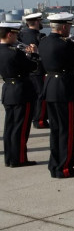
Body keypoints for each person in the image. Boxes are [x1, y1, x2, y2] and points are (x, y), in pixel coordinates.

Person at [38, 12, 74, 178]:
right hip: (65, 88)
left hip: (51, 87)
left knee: (56, 130)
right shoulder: (66, 45)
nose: (70, 29)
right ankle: (66, 167)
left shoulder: (44, 42)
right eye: (69, 26)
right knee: (68, 131)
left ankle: (55, 165)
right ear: (63, 27)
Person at [0, 22, 38, 167]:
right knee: (21, 128)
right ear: (9, 34)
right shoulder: (15, 52)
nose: (17, 37)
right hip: (21, 91)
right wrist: (33, 54)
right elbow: (32, 67)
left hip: (8, 89)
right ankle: (20, 158)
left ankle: (9, 158)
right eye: (15, 34)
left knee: (9, 127)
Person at [19, 12, 48, 129]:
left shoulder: (20, 35)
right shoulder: (38, 36)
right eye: (40, 21)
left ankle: (32, 116)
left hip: (25, 70)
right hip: (38, 69)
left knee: (31, 95)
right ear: (36, 22)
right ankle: (39, 119)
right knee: (41, 95)